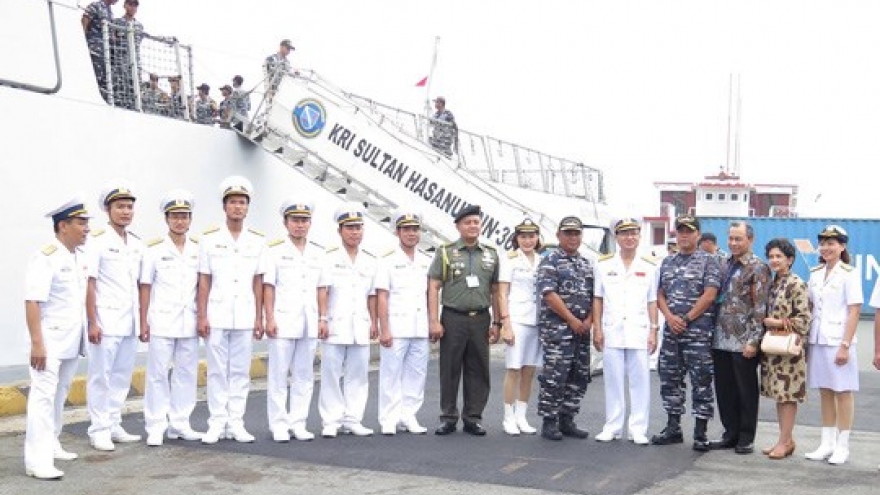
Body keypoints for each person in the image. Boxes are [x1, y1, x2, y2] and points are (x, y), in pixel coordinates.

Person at [23, 196, 91, 480]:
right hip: (49, 343)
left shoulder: (79, 257)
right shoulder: (46, 257)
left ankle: (52, 442)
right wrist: (37, 343)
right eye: (81, 223)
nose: (86, 228)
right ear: (63, 226)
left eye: (87, 223)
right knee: (42, 397)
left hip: (71, 340)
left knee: (59, 394)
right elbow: (32, 301)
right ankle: (37, 460)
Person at [197, 176, 267, 444]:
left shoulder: (257, 241)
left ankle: (236, 422)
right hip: (217, 313)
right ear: (224, 207)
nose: (238, 207)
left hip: (246, 314)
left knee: (240, 371)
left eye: (242, 202)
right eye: (233, 202)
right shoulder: (209, 240)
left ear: (247, 208)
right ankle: (216, 423)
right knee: (216, 370)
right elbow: (204, 280)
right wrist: (202, 315)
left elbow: (258, 281)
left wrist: (259, 316)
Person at [428, 205, 501, 436]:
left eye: (476, 222)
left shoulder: (491, 253)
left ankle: (473, 417)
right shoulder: (446, 252)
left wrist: (497, 322)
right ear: (458, 226)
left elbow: (496, 289)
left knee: (478, 369)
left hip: (480, 318)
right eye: (467, 222)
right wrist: (433, 321)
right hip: (453, 318)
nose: (472, 226)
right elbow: (433, 287)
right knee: (449, 369)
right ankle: (448, 417)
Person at [139, 190, 204, 447]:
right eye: (175, 216)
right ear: (166, 219)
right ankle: (155, 425)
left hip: (189, 320)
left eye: (184, 216)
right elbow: (145, 286)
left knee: (186, 373)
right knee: (157, 374)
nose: (180, 221)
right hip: (162, 320)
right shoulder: (154, 249)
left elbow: (202, 285)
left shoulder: (198, 249)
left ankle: (180, 423)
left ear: (190, 220)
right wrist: (143, 321)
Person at [651, 214, 721, 451]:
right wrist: (670, 318)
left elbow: (710, 294)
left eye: (689, 231)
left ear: (698, 235)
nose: (684, 235)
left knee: (701, 380)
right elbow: (659, 293)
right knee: (670, 379)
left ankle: (700, 432)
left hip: (698, 334)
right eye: (680, 231)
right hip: (672, 331)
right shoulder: (667, 262)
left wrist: (686, 318)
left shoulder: (710, 261)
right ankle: (673, 428)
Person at [85, 182, 143, 451]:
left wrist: (142, 320)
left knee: (121, 375)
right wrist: (92, 321)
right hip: (105, 322)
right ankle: (98, 429)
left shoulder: (136, 243)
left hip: (129, 321)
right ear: (108, 210)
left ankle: (113, 422)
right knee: (101, 376)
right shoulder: (96, 241)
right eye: (120, 206)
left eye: (129, 207)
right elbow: (90, 283)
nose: (125, 211)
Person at [592, 218, 658, 445]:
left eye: (633, 233)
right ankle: (612, 426)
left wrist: (654, 330)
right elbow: (598, 299)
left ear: (639, 236)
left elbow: (652, 301)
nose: (629, 238)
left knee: (640, 381)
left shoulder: (650, 266)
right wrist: (597, 328)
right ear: (616, 237)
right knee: (613, 380)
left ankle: (638, 428)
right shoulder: (603, 264)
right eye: (624, 234)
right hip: (612, 329)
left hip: (639, 329)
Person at [263, 199, 324, 443]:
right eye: (295, 220)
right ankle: (278, 424)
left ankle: (298, 422)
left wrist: (322, 318)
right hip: (282, 320)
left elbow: (321, 288)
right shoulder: (274, 250)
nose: (300, 225)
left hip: (309, 321)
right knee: (278, 375)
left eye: (304, 220)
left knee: (304, 375)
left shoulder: (318, 252)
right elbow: (269, 287)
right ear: (285, 222)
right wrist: (269, 317)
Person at [317, 203, 378, 438]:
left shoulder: (370, 260)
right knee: (331, 373)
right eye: (350, 228)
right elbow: (322, 290)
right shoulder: (329, 258)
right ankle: (331, 420)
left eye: (358, 228)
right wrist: (322, 318)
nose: (355, 232)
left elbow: (371, 295)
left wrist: (374, 322)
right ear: (340, 231)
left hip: (360, 324)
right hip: (335, 322)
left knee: (359, 374)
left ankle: (353, 418)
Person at [710, 221, 770, 455]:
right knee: (724, 390)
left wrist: (754, 341)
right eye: (731, 239)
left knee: (745, 390)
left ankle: (746, 436)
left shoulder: (758, 268)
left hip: (743, 340)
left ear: (750, 240)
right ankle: (730, 433)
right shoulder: (723, 263)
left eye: (739, 239)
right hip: (720, 338)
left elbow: (760, 307)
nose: (734, 243)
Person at [804, 225, 862, 465]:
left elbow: (854, 310)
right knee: (825, 391)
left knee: (843, 392)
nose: (827, 247)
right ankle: (827, 443)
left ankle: (843, 446)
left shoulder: (849, 273)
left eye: (832, 243)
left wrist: (845, 345)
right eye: (824, 243)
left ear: (842, 246)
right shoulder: (816, 273)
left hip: (839, 341)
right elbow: (809, 306)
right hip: (818, 339)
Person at [535, 216, 593, 441]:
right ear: (559, 236)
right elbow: (549, 295)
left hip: (581, 331)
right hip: (558, 330)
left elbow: (594, 296)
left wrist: (589, 320)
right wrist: (571, 319)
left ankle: (567, 418)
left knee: (578, 376)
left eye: (576, 233)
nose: (572, 237)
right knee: (555, 376)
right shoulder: (550, 261)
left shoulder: (586, 264)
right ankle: (549, 421)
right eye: (568, 233)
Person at [375, 209, 431, 436]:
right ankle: (389, 418)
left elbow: (430, 295)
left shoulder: (426, 260)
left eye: (415, 229)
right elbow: (382, 295)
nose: (411, 233)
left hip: (419, 326)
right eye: (406, 229)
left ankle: (409, 415)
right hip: (396, 327)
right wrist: (384, 328)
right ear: (398, 232)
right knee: (390, 373)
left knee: (417, 374)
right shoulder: (387, 259)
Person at [760, 238, 812, 459]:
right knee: (779, 396)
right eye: (771, 256)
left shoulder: (796, 284)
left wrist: (777, 322)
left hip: (789, 352)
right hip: (774, 349)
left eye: (779, 256)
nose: (774, 260)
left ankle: (784, 441)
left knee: (787, 396)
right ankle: (785, 440)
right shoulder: (773, 283)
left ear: (790, 260)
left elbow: (804, 320)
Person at [497, 217, 543, 436]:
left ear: (537, 238)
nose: (527, 241)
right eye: (523, 236)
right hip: (517, 317)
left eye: (531, 236)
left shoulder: (543, 260)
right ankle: (508, 416)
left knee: (529, 369)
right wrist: (506, 323)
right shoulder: (510, 259)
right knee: (514, 368)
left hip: (536, 319)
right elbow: (502, 293)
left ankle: (521, 415)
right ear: (516, 238)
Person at [82, 0, 119, 102]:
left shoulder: (110, 11)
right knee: (95, 78)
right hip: (95, 49)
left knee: (104, 81)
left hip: (105, 53)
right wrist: (82, 42)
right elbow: (85, 21)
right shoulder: (96, 5)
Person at [110, 0, 144, 110]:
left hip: (135, 64)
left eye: (135, 5)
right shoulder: (116, 22)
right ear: (125, 5)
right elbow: (112, 39)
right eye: (130, 4)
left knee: (135, 91)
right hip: (120, 64)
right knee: (120, 91)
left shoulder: (139, 26)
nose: (133, 7)